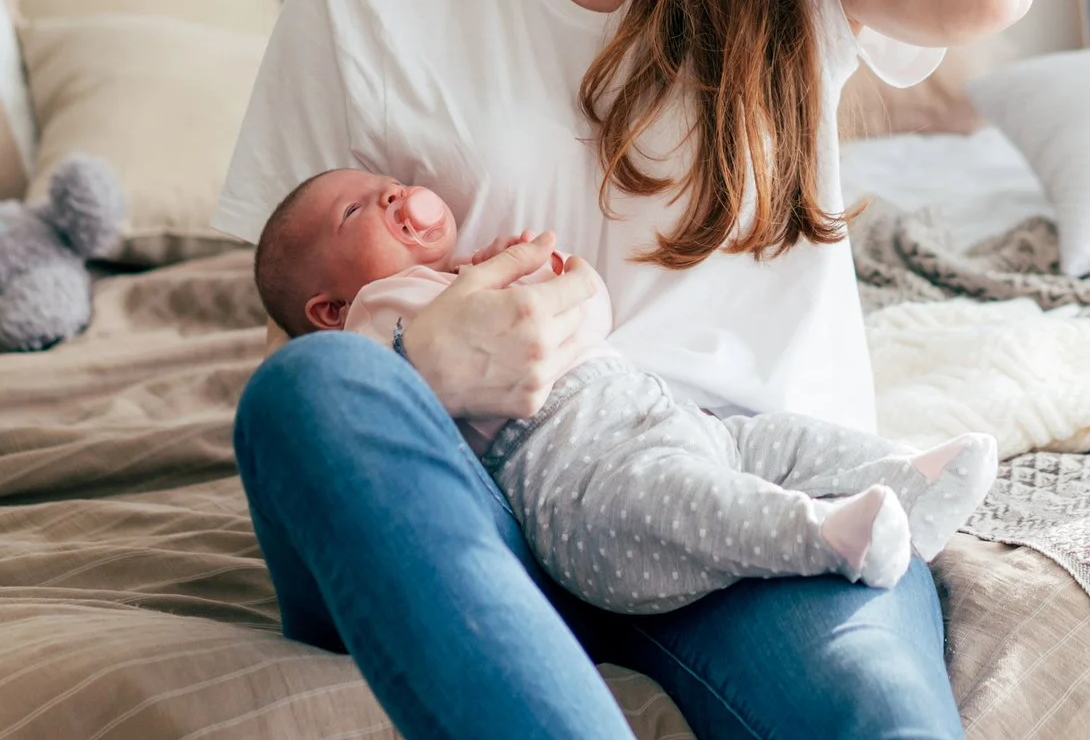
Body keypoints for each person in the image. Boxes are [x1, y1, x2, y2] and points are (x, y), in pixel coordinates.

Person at [215, 0, 1032, 739]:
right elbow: (303, 291)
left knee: (877, 718)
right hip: (479, 486)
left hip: (737, 488)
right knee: (307, 387)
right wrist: (420, 360)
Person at [251, 166, 999, 614]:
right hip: (577, 468)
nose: (391, 198)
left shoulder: (461, 275)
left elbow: (587, 314)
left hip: (650, 403)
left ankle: (908, 478)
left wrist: (557, 277)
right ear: (326, 307)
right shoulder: (370, 320)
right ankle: (821, 535)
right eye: (356, 210)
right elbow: (373, 396)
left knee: (774, 440)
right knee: (687, 499)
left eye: (386, 188)